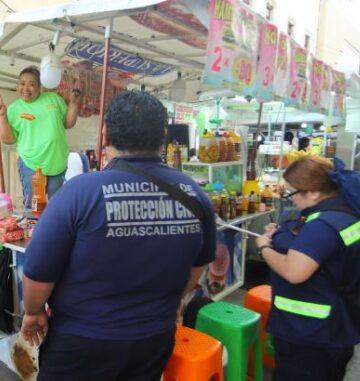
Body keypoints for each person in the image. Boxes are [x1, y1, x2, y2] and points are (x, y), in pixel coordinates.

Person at [19, 91, 217, 380]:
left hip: (81, 345)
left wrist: (34, 312)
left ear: (105, 134)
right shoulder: (195, 195)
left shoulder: (80, 192)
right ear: (162, 135)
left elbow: (37, 271)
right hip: (153, 340)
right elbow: (195, 270)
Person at [255, 156, 360, 381]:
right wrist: (283, 234)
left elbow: (293, 272)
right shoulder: (345, 213)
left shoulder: (323, 225)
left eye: (292, 193)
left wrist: (264, 247)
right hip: (337, 325)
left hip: (309, 336)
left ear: (314, 192)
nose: (291, 200)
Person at [0, 66, 82, 209]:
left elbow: (68, 123)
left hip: (57, 163)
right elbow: (8, 139)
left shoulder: (53, 99)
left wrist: (73, 104)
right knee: (34, 206)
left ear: (40, 86)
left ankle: (52, 231)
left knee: (55, 205)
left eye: (31, 84)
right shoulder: (13, 109)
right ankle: (34, 231)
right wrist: (2, 116)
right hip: (31, 164)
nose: (26, 88)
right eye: (22, 83)